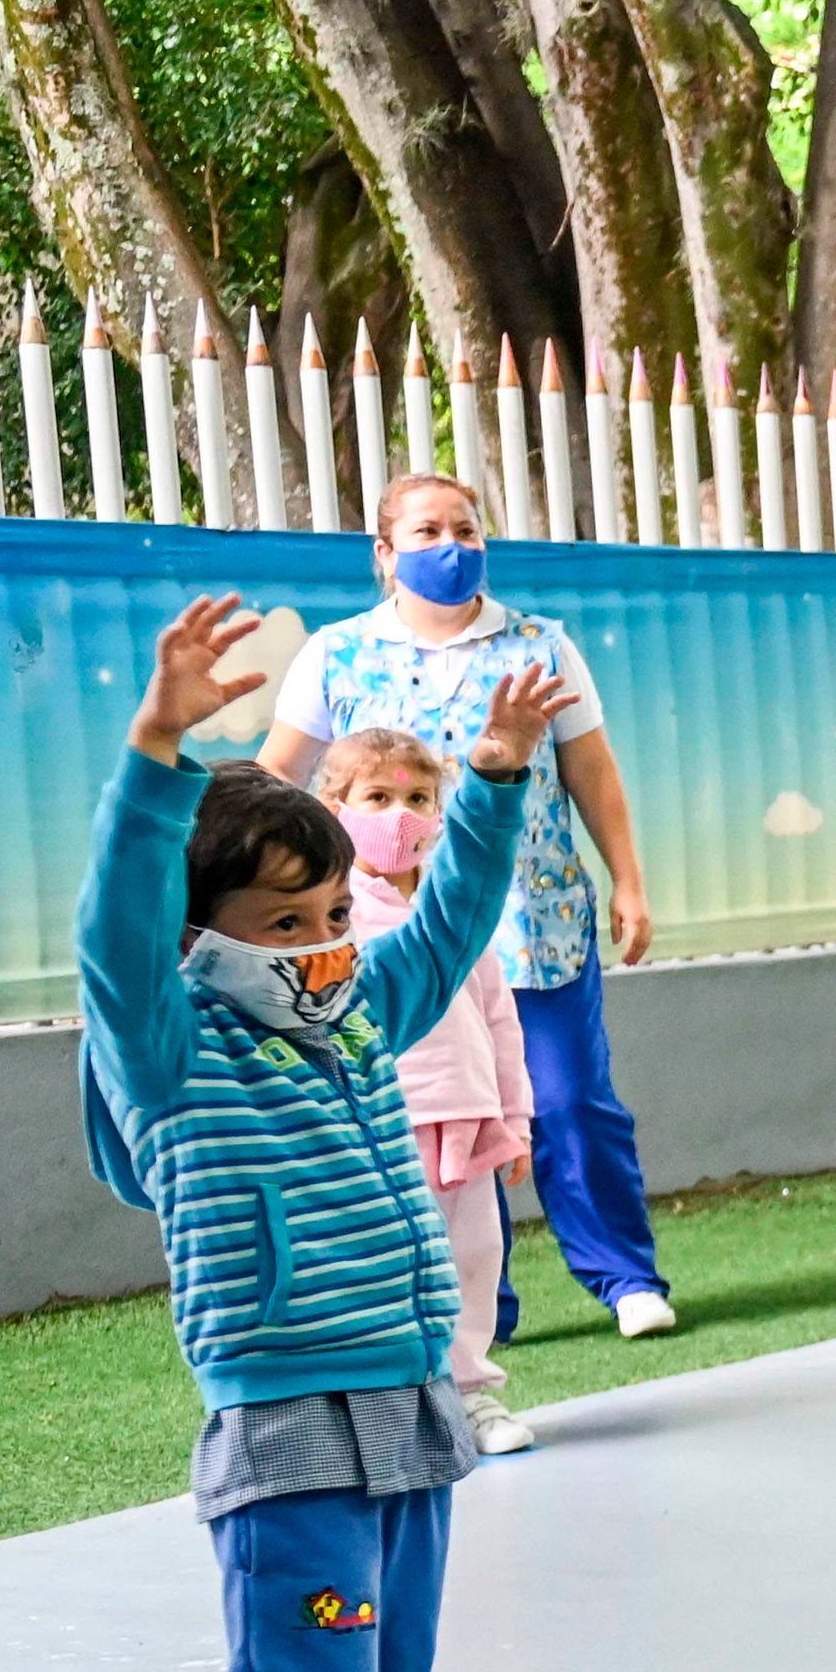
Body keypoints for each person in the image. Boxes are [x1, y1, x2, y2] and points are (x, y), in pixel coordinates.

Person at [79, 593, 569, 1672]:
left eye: (331, 913)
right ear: (196, 934)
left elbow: (454, 919)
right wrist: (159, 753)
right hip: (289, 1423)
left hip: (408, 1400)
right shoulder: (166, 1039)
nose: (320, 945)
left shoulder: (356, 1011)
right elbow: (114, 923)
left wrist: (489, 784)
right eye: (281, 925)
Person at [261, 471, 677, 1344]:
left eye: (464, 526)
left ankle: (624, 1275)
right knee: (444, 1112)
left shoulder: (542, 646)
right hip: (390, 932)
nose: (450, 545)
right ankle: (483, 1310)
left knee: (567, 1101)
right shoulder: (335, 654)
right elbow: (278, 780)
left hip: (535, 919)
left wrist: (629, 880)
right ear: (385, 554)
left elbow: (590, 771)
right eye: (425, 531)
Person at [322, 726, 539, 1457]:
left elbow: (499, 1017)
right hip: (386, 1126)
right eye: (377, 797)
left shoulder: (455, 912)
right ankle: (391, 1411)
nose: (400, 814)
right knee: (392, 1270)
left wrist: (515, 1115)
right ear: (335, 805)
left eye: (418, 797)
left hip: (470, 1120)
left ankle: (470, 1396)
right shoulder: (332, 914)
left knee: (474, 1259)